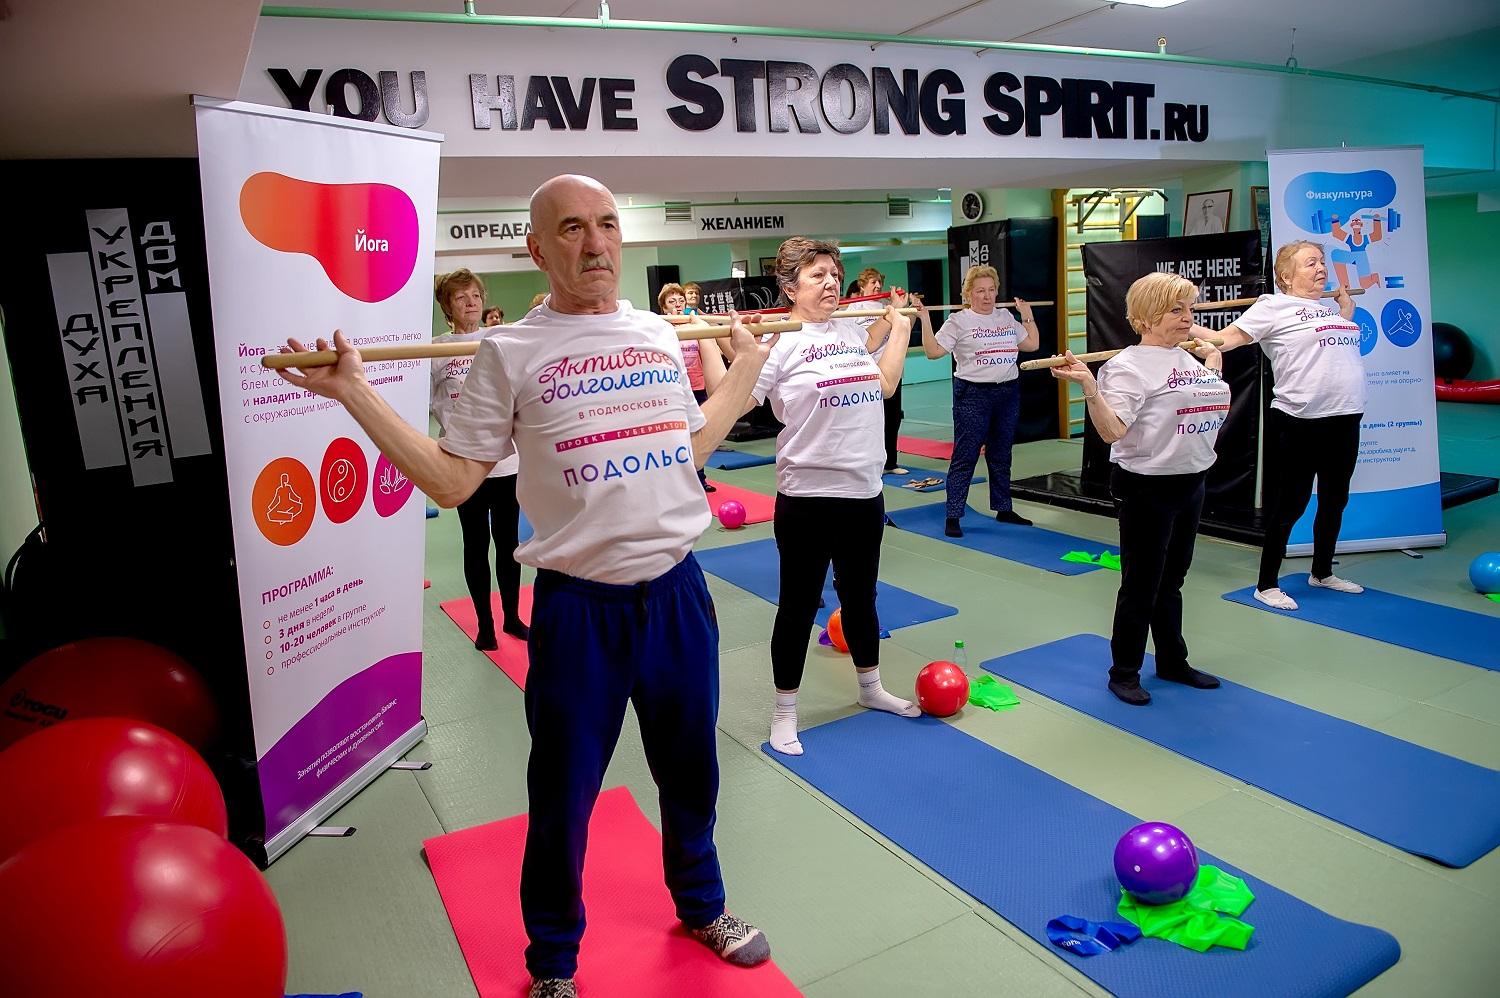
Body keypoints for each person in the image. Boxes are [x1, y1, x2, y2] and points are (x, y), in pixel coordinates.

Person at [275, 175, 775, 998]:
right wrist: (355, 392)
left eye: (608, 225)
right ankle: (552, 964)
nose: (595, 243)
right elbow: (451, 482)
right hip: (582, 612)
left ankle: (702, 903)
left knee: (692, 773)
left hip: (680, 593)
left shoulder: (656, 332)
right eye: (572, 229)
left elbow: (689, 449)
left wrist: (744, 372)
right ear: (539, 250)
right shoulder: (508, 353)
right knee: (563, 796)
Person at [748, 237, 918, 756]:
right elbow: (739, 399)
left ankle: (870, 689)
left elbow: (886, 386)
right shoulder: (780, 341)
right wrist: (718, 344)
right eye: (817, 274)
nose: (829, 282)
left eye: (833, 273)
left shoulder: (852, 332)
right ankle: (784, 712)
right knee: (798, 608)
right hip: (807, 496)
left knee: (861, 599)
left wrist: (901, 324)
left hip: (864, 491)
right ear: (790, 286)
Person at [1050, 273, 1227, 706]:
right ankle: (1124, 671)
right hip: (1147, 486)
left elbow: (1207, 399)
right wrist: (1091, 388)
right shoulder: (1127, 367)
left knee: (1173, 579)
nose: (1189, 318)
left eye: (1190, 308)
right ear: (1147, 316)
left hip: (1193, 481)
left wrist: (1214, 361)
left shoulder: (1186, 358)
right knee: (1142, 583)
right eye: (1177, 310)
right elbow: (1113, 432)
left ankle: (1172, 660)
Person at [1194, 241, 1364, 611]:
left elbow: (1334, 353)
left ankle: (1321, 572)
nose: (1321, 268)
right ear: (1286, 276)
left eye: (1322, 262)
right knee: (1291, 504)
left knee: (1335, 499)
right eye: (1310, 263)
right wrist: (1182, 322)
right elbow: (1224, 340)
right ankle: (1266, 583)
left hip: (1346, 417)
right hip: (1300, 420)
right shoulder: (1272, 307)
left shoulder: (1331, 311)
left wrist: (1347, 315)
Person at [431, 269, 526, 649]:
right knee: (475, 544)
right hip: (462, 463)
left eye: (475, 296)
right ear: (447, 307)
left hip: (505, 463)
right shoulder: (435, 350)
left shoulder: (499, 337)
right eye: (461, 298)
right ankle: (484, 624)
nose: (471, 303)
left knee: (508, 544)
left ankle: (512, 617)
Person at [921, 264, 1038, 537]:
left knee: (1001, 453)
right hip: (973, 393)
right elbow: (933, 352)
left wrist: (1027, 315)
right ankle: (953, 514)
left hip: (1007, 392)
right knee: (966, 455)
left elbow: (1031, 345)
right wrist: (925, 320)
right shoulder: (958, 321)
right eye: (980, 291)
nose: (987, 296)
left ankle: (1003, 508)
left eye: (991, 290)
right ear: (968, 294)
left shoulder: (1006, 317)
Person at [659, 282, 721, 493]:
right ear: (664, 308)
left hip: (698, 386)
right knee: (678, 437)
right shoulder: (663, 330)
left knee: (700, 433)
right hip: (676, 391)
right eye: (672, 302)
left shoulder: (693, 327)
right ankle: (678, 481)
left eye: (681, 301)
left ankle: (700, 478)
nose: (677, 305)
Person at [1329, 212, 1385, 291]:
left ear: (1361, 225)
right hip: (1353, 256)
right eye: (1354, 221)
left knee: (1365, 284)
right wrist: (1335, 221)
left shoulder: (1365, 238)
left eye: (1358, 221)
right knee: (1336, 254)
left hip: (1362, 258)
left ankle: (1374, 277)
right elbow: (1337, 233)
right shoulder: (1350, 238)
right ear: (1351, 226)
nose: (1356, 222)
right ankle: (1345, 286)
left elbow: (1377, 236)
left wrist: (1376, 220)